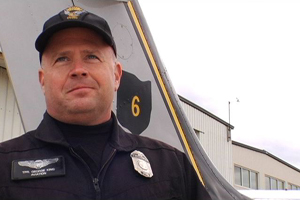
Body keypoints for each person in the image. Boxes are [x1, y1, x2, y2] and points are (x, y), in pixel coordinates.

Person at [0, 6, 211, 200]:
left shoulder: (171, 167)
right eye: (62, 59)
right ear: (43, 80)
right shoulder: (4, 167)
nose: (78, 69)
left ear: (117, 75)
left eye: (92, 56)